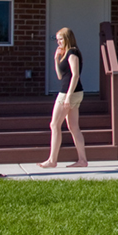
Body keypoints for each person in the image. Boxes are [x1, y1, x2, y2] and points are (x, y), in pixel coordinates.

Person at [39, 27, 88, 169]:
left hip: (69, 93)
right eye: (57, 39)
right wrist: (56, 58)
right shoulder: (65, 54)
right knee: (73, 127)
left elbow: (75, 75)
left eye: (60, 39)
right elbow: (61, 76)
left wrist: (68, 97)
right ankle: (82, 160)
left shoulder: (73, 53)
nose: (58, 42)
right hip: (71, 93)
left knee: (54, 125)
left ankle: (52, 160)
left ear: (67, 38)